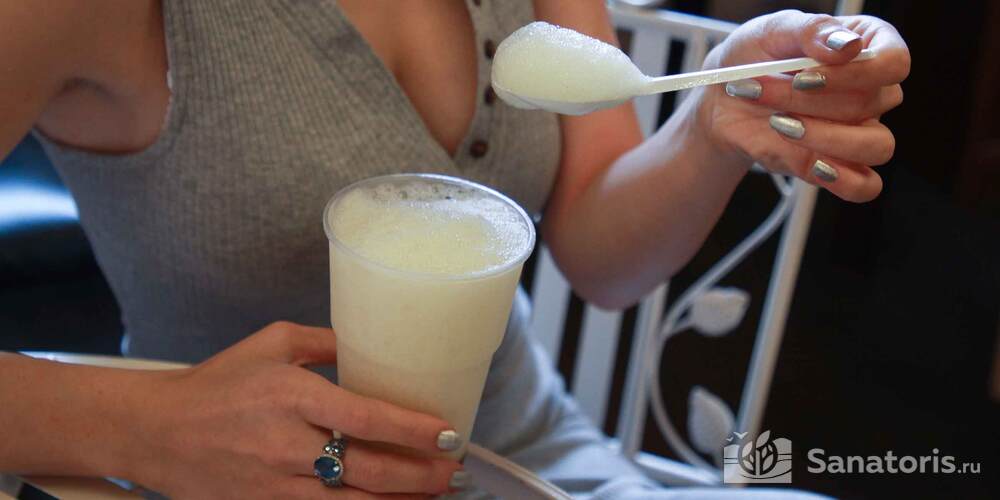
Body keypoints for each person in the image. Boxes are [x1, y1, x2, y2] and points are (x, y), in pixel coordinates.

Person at [0, 0, 908, 498]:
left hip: (527, 458)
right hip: (237, 483)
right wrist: (148, 425)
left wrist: (709, 125)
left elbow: (604, 260)